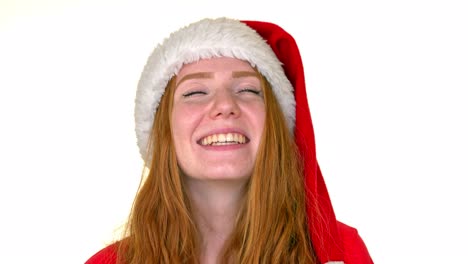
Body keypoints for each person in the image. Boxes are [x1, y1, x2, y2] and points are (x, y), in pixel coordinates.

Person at [85, 17, 373, 264]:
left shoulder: (342, 253)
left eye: (248, 89)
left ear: (275, 124)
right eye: (195, 92)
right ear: (163, 131)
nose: (225, 105)